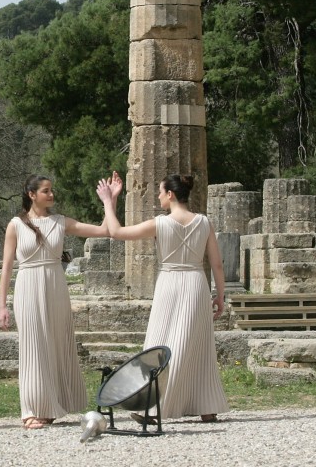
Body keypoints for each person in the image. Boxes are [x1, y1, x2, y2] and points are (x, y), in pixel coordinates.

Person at [96, 171, 229, 423]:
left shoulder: (160, 223)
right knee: (198, 344)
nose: (158, 196)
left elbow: (115, 231)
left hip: (169, 283)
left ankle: (153, 406)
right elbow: (217, 264)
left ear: (170, 194)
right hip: (196, 283)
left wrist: (108, 201)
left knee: (159, 343)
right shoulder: (204, 222)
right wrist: (220, 295)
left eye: (160, 192)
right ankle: (206, 406)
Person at [0, 174, 107, 430]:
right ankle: (31, 410)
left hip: (56, 287)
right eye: (46, 191)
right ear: (31, 194)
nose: (52, 194)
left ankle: (49, 406)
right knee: (33, 347)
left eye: (52, 190)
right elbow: (6, 268)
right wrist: (2, 305)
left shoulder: (60, 222)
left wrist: (108, 201)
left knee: (55, 345)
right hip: (27, 287)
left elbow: (104, 230)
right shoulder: (15, 225)